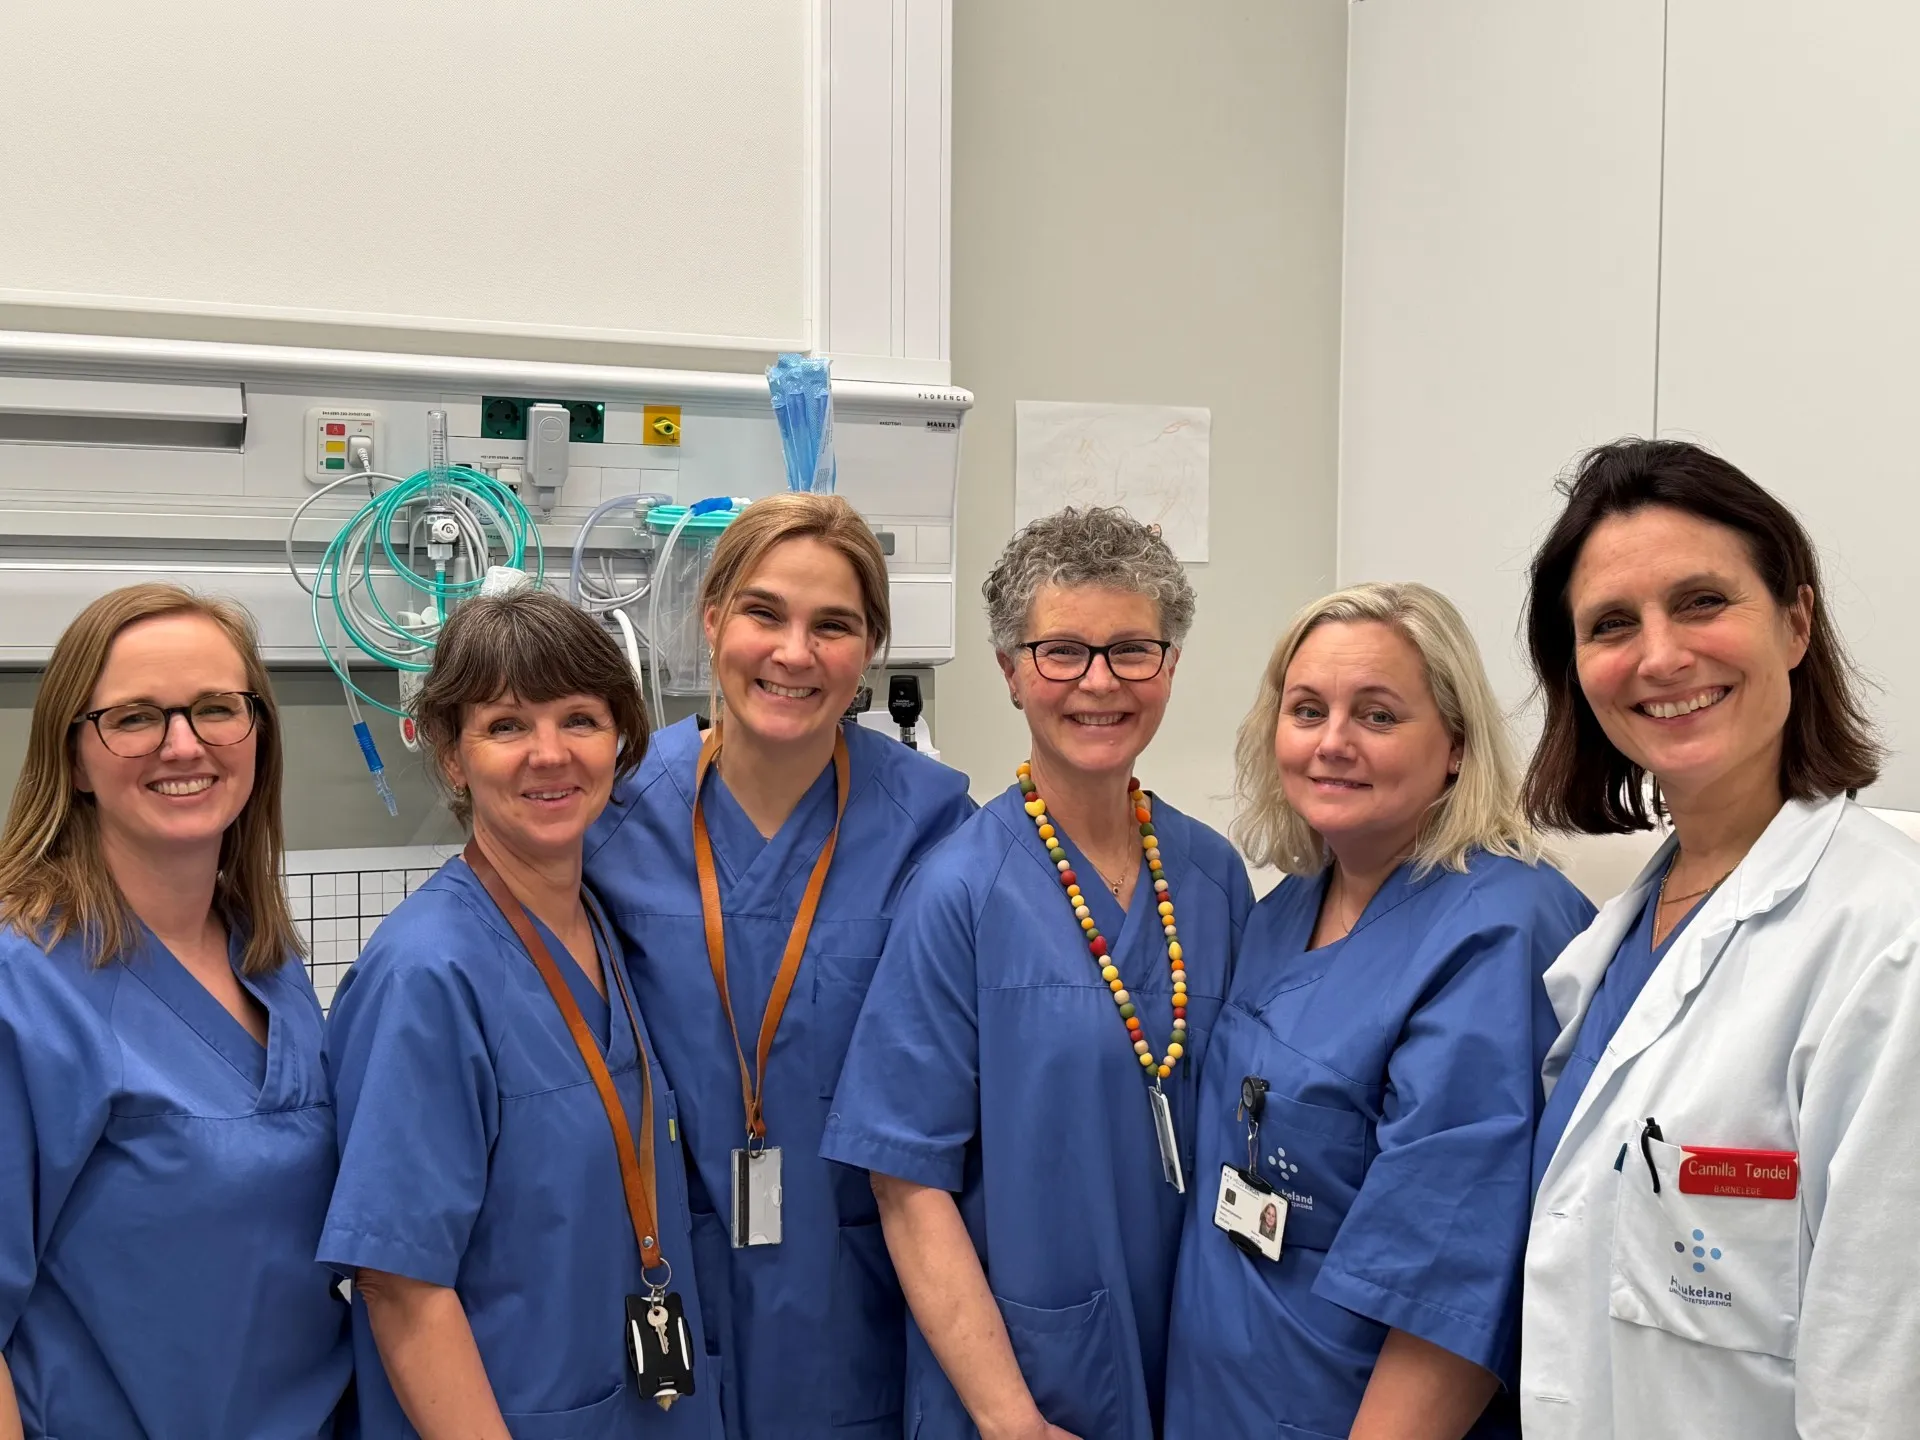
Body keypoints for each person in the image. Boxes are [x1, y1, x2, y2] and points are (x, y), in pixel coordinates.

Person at [822, 506, 1255, 1440]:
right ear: (1012, 671)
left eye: (1132, 649)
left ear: (1171, 664)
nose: (1099, 682)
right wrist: (1010, 1420)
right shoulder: (960, 891)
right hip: (1025, 1382)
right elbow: (905, 1183)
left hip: (1200, 1350)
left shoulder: (1213, 876)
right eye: (1060, 652)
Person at [1519, 440, 1920, 1438]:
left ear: (1795, 622)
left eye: (1701, 601)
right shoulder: (1614, 942)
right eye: (1612, 624)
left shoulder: (1888, 937)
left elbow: (1879, 1371)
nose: (1660, 656)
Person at [1160, 582, 1593, 1440]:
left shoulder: (1498, 932)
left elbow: (1454, 1286)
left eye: (1379, 716)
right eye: (1307, 709)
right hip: (1225, 1394)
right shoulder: (1289, 904)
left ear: (1457, 746)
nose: (1332, 744)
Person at [584, 493, 974, 1440]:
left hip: (856, 1307)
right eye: (764, 613)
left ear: (870, 649)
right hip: (658, 1285)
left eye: (832, 626)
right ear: (711, 618)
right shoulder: (609, 821)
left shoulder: (935, 832)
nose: (794, 654)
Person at [320, 584, 720, 1438]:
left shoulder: (605, 930)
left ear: (621, 739)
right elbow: (399, 1285)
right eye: (506, 725)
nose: (550, 754)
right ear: (452, 755)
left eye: (579, 718)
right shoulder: (428, 974)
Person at [0, 584, 352, 1439]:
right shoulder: (25, 986)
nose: (183, 744)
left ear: (258, 736)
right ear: (74, 756)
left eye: (215, 709)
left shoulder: (267, 956)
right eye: (135, 718)